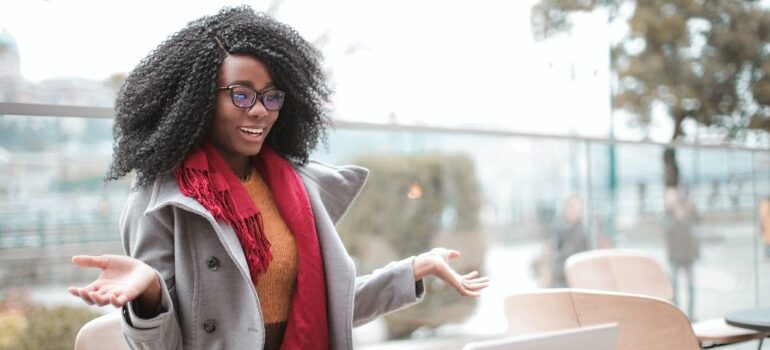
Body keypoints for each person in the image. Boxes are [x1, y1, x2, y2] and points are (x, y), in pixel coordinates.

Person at [67, 7, 489, 350]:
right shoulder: (162, 201)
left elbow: (325, 307)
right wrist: (150, 295)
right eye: (241, 93)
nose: (259, 110)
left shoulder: (295, 189)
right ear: (196, 101)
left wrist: (413, 269)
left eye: (270, 95)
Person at [663, 186, 699, 319]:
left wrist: (690, 207)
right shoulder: (669, 213)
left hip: (687, 254)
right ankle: (676, 313)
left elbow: (698, 220)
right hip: (675, 255)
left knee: (690, 286)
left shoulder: (689, 209)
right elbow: (667, 229)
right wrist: (673, 212)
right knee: (674, 287)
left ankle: (691, 313)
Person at [549, 194, 589, 288]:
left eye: (577, 207)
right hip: (560, 275)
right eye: (572, 206)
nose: (574, 210)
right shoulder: (558, 227)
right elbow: (554, 250)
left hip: (578, 274)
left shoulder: (585, 231)